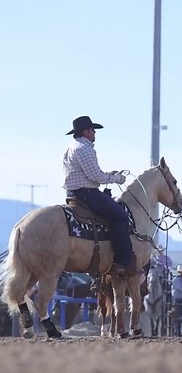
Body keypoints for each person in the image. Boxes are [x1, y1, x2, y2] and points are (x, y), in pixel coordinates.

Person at [62, 116, 133, 276]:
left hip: (73, 193)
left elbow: (91, 175)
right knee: (121, 216)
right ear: (86, 131)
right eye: (92, 129)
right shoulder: (84, 149)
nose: (94, 132)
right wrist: (117, 178)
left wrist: (108, 175)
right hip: (88, 194)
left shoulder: (72, 148)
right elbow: (96, 177)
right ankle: (121, 261)